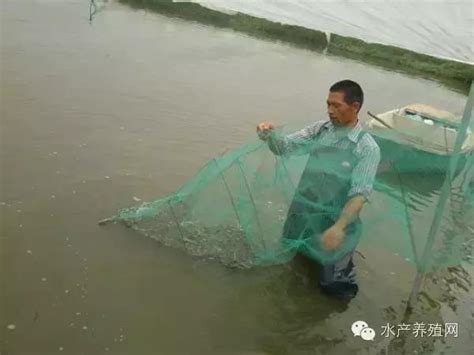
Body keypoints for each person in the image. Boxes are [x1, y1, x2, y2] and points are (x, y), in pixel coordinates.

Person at [256, 80, 380, 300]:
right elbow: (284, 148)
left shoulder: (367, 147)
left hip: (336, 220)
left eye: (336, 105)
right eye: (328, 104)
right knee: (291, 260)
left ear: (355, 107)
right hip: (303, 210)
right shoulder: (320, 130)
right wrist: (269, 135)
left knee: (333, 286)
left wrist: (339, 228)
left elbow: (360, 194)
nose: (330, 111)